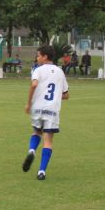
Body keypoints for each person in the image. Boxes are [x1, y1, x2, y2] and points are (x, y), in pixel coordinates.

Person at [22, 45, 70, 180]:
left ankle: (32, 150)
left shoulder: (38, 70)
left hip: (38, 107)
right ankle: (41, 171)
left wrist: (29, 103)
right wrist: (56, 95)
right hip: (52, 109)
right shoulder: (60, 72)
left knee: (36, 132)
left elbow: (34, 84)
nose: (36, 58)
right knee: (48, 140)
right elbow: (66, 95)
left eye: (38, 55)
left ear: (45, 57)